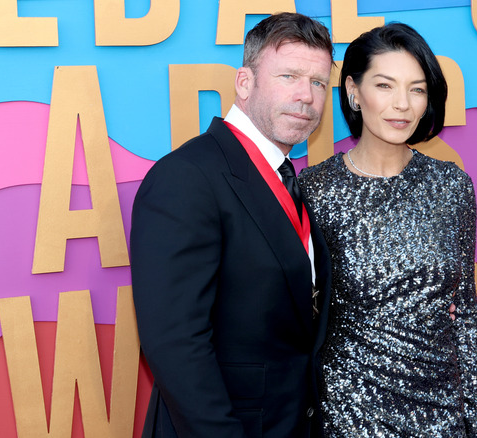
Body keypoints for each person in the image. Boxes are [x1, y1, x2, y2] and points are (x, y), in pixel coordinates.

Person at [130, 13, 334, 438]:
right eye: (289, 76)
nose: (306, 96)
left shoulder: (286, 177)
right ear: (244, 83)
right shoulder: (186, 176)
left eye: (318, 82)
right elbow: (175, 344)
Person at [298, 23, 477, 437]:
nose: (402, 104)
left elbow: (465, 316)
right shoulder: (315, 190)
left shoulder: (451, 186)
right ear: (354, 91)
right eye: (385, 85)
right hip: (351, 415)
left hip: (442, 416)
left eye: (417, 89)